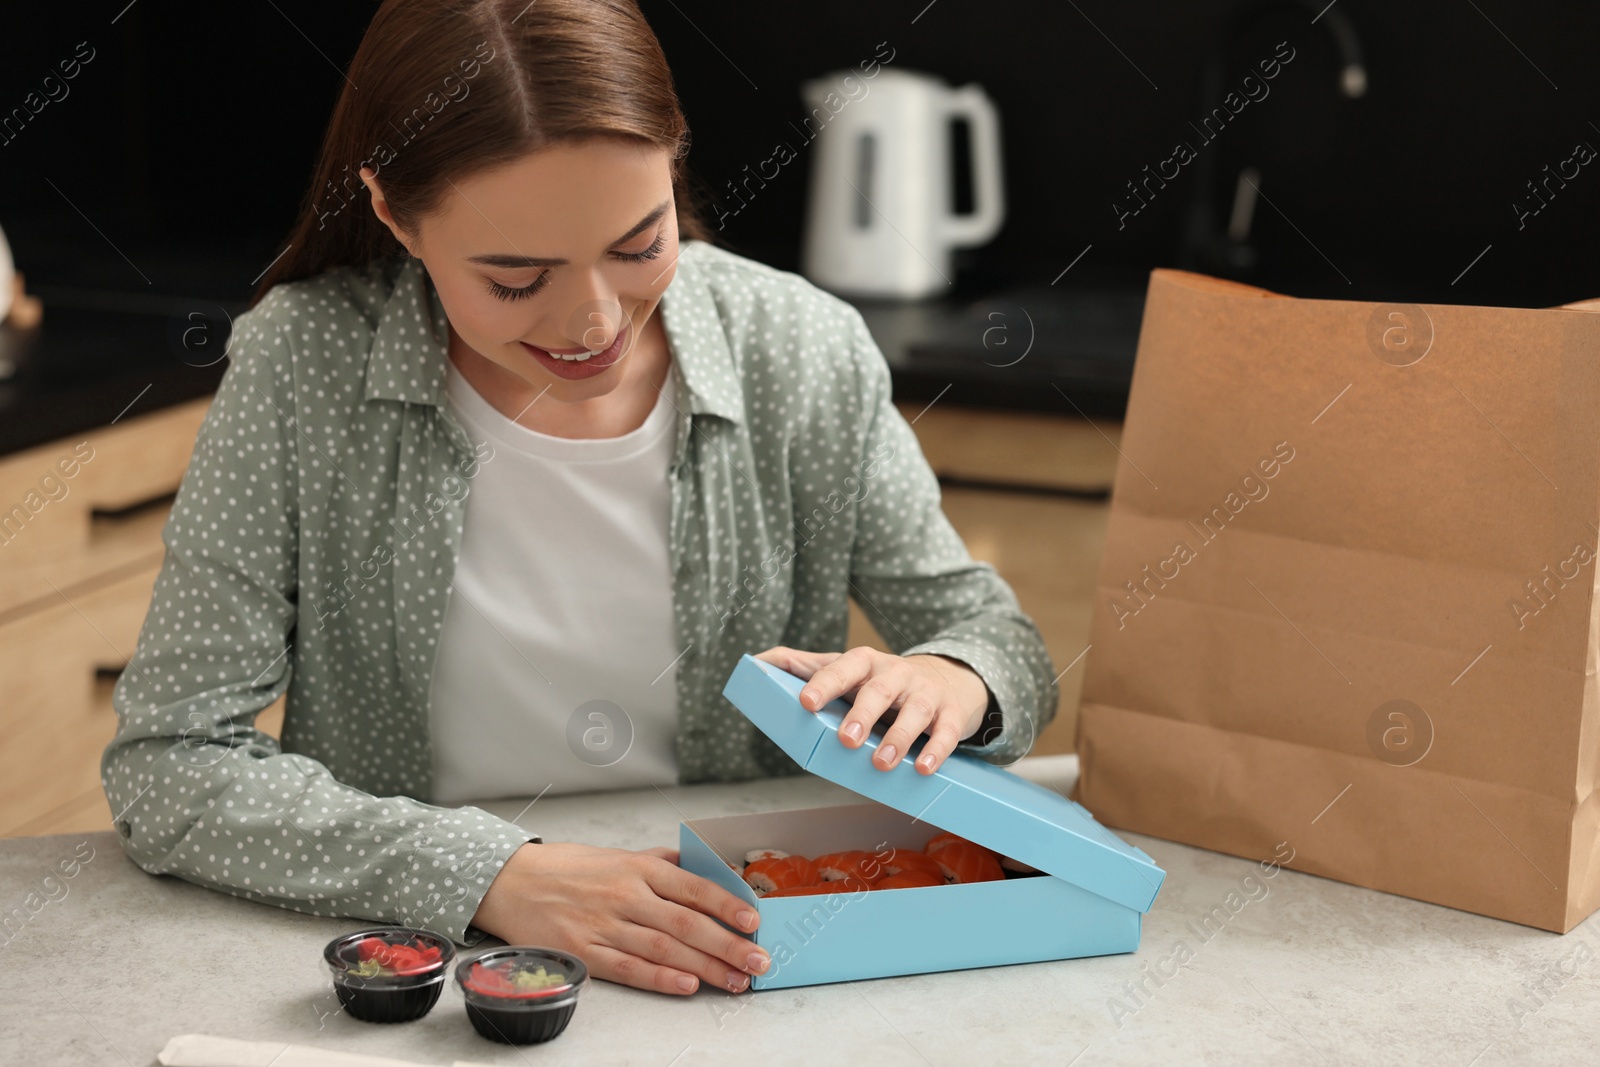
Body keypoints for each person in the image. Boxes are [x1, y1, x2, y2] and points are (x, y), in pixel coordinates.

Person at [102, 0, 1058, 998]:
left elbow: (995, 638)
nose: (592, 320)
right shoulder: (302, 363)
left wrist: (953, 677)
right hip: (441, 964)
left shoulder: (800, 345)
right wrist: (489, 874)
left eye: (639, 244)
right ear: (393, 212)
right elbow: (170, 762)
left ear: (672, 162)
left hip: (738, 949)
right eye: (516, 278)